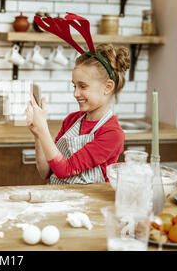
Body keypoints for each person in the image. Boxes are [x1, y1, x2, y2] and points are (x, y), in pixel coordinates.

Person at [26, 13, 130, 184]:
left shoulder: (112, 133)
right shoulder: (72, 121)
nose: (75, 93)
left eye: (83, 86)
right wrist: (38, 134)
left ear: (107, 87)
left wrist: (44, 128)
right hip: (61, 200)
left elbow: (65, 170)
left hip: (88, 206)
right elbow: (45, 172)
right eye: (74, 86)